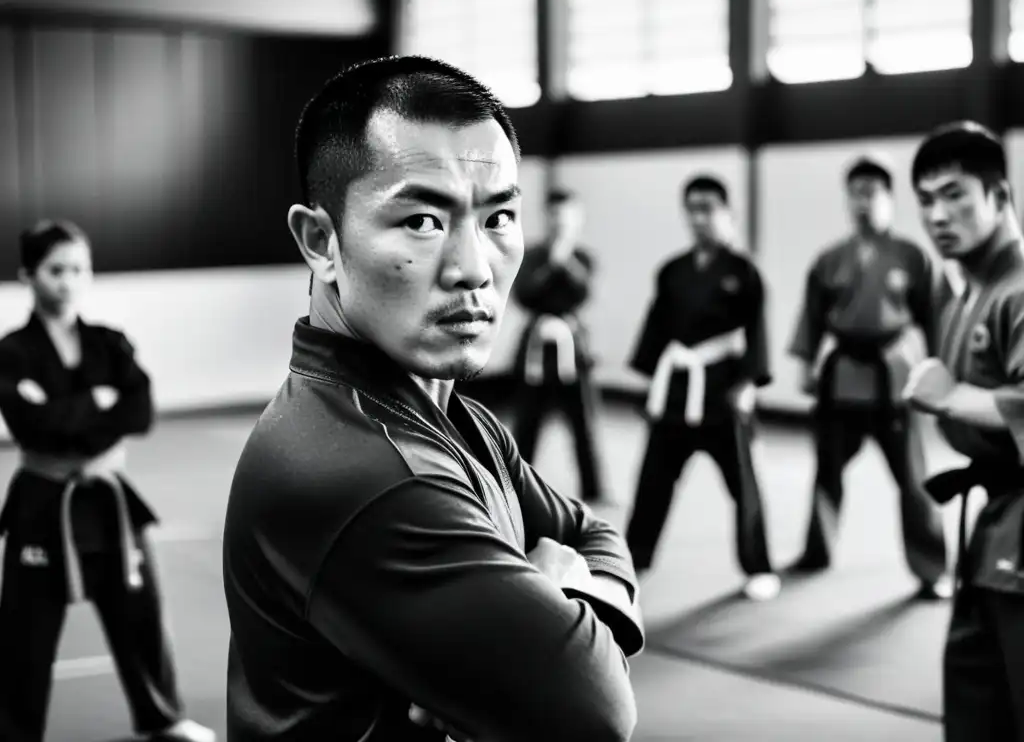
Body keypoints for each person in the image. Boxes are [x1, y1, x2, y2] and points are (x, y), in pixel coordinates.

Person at [222, 55, 643, 742]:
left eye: (499, 216)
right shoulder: (366, 472)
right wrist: (553, 587)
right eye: (421, 221)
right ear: (321, 241)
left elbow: (594, 534)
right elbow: (595, 709)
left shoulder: (456, 418)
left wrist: (548, 592)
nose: (474, 268)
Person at [0, 220, 215, 742]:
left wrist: (64, 410)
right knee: (26, 633)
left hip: (108, 501)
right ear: (29, 275)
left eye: (78, 269)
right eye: (56, 270)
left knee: (140, 612)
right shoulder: (13, 352)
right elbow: (30, 425)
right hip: (42, 503)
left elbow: (139, 411)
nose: (68, 281)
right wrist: (96, 404)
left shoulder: (108, 343)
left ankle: (161, 718)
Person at [903, 121, 1024, 741]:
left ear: (1000, 198)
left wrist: (952, 396)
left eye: (955, 195)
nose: (937, 215)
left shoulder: (1019, 288)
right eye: (925, 200)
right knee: (978, 703)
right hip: (991, 526)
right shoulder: (964, 293)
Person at [788, 154, 951, 599]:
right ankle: (817, 552)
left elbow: (936, 318)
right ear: (847, 199)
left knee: (914, 479)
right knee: (827, 472)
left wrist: (941, 369)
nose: (864, 201)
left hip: (893, 376)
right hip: (842, 377)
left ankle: (931, 569)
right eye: (856, 192)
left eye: (873, 192)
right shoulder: (829, 259)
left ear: (889, 198)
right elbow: (813, 316)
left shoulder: (912, 256)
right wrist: (805, 365)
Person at [624, 175, 780, 601]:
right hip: (675, 390)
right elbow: (656, 329)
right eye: (692, 209)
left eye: (708, 208)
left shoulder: (744, 272)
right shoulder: (672, 271)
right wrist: (647, 387)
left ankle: (758, 565)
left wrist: (748, 384)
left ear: (727, 212)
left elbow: (758, 331)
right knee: (653, 479)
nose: (699, 218)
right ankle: (634, 556)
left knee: (744, 485)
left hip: (724, 391)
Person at [511, 188, 607, 503]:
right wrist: (551, 264)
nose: (560, 221)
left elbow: (583, 293)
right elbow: (523, 294)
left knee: (583, 422)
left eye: (566, 215)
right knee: (528, 421)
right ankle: (514, 483)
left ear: (577, 219)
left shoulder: (583, 257)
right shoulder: (531, 255)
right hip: (537, 345)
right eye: (554, 214)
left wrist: (564, 261)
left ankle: (594, 489)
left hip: (573, 348)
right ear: (546, 217)